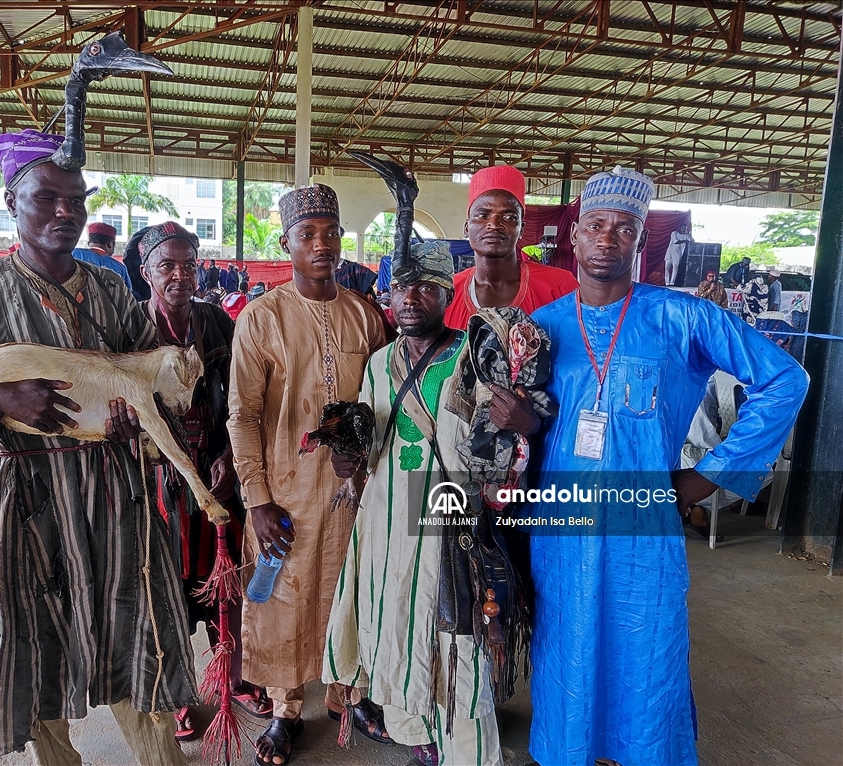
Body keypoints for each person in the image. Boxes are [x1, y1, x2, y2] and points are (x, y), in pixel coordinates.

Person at [0, 130, 195, 764]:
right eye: (47, 198)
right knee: (31, 638)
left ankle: (160, 756)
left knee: (136, 634)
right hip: (23, 504)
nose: (66, 212)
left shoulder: (111, 294)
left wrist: (135, 416)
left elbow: (146, 376)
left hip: (114, 498)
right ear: (12, 201)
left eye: (76, 199)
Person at [527, 166, 808, 766]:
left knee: (645, 652)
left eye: (624, 228)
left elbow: (786, 378)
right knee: (569, 648)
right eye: (597, 225)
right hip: (562, 530)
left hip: (645, 536)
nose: (608, 238)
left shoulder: (683, 319)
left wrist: (709, 474)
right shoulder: (542, 329)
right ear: (574, 237)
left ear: (638, 242)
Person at [323, 240, 540, 766]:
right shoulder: (378, 364)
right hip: (383, 524)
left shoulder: (475, 354)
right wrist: (346, 460)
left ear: (448, 294)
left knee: (456, 639)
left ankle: (470, 754)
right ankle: (421, 735)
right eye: (401, 287)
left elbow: (509, 444)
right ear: (388, 295)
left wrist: (527, 422)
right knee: (395, 627)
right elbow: (371, 445)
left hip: (448, 522)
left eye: (426, 287)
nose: (411, 297)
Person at [227, 184, 388, 766]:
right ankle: (285, 710)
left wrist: (364, 454)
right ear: (287, 242)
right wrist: (256, 499)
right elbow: (242, 415)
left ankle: (350, 695)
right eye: (307, 235)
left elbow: (383, 401)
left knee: (348, 589)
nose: (321, 245)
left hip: (351, 493)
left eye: (330, 233)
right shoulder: (261, 318)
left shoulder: (364, 317)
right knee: (284, 602)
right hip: (284, 495)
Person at [136, 221, 271, 741]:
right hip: (160, 483)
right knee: (163, 586)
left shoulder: (217, 321)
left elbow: (244, 396)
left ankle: (231, 677)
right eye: (167, 265)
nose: (180, 275)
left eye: (189, 264)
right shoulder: (132, 328)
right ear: (146, 271)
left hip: (218, 478)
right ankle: (175, 691)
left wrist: (231, 459)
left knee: (227, 581)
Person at [444, 164, 578, 330]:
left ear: (521, 229)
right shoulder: (446, 293)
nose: (494, 224)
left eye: (509, 217)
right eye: (483, 215)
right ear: (466, 228)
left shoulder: (560, 287)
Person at [72, 221, 134, 290]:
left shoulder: (73, 254)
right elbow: (128, 296)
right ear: (110, 244)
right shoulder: (119, 268)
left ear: (89, 242)